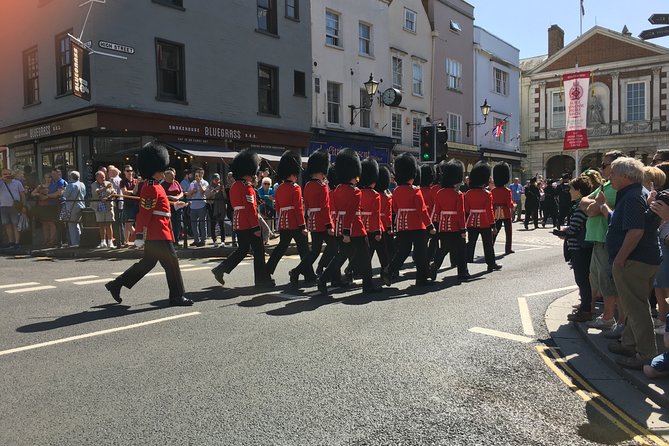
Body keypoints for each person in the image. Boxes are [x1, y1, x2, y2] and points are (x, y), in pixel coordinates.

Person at [105, 142, 192, 306]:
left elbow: (160, 204)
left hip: (161, 229)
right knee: (172, 263)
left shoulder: (155, 186)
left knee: (148, 263)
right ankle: (177, 296)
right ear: (156, 168)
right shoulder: (150, 187)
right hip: (158, 232)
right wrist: (138, 235)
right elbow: (144, 213)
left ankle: (116, 284)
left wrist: (175, 205)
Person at [601, 157, 661, 370]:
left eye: (614, 173)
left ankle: (645, 354)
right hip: (643, 259)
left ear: (626, 176)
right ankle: (629, 343)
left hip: (634, 261)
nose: (610, 176)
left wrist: (619, 258)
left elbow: (636, 231)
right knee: (633, 304)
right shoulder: (637, 194)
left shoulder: (632, 197)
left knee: (636, 309)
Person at [319, 148, 382, 295]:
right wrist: (347, 232)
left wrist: (341, 230)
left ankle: (323, 279)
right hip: (355, 229)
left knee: (341, 255)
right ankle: (368, 284)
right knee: (365, 255)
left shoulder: (336, 190)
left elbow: (336, 211)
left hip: (340, 227)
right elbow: (351, 213)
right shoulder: (355, 192)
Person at [211, 149, 274, 289]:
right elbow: (250, 209)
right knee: (258, 251)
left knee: (243, 249)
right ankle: (261, 280)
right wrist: (256, 227)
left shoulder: (234, 186)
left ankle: (220, 269)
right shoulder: (247, 187)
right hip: (248, 223)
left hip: (239, 221)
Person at [580, 151, 626, 333]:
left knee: (608, 282)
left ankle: (609, 318)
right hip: (597, 239)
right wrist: (593, 205)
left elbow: (592, 210)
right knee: (597, 278)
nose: (601, 168)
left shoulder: (616, 188)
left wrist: (593, 206)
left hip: (607, 239)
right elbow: (583, 202)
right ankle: (607, 316)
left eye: (605, 165)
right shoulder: (606, 184)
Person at [382, 152, 436, 287]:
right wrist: (430, 226)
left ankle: (389, 270)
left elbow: (394, 208)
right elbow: (422, 210)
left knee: (403, 251)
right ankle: (421, 278)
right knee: (421, 253)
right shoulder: (415, 190)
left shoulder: (396, 191)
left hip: (402, 225)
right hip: (417, 225)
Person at [266, 150, 316, 287]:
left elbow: (278, 207)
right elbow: (298, 209)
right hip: (295, 223)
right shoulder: (296, 188)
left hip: (283, 222)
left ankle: (267, 270)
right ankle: (309, 275)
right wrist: (302, 226)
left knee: (281, 248)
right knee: (304, 249)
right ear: (294, 173)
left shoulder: (280, 188)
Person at [293, 150, 336, 283]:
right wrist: (329, 225)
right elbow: (325, 208)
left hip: (312, 221)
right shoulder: (322, 186)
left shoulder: (307, 185)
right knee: (334, 247)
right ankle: (325, 270)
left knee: (315, 250)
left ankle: (296, 271)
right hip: (323, 222)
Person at [563, 175, 596, 322]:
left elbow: (574, 229)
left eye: (571, 188)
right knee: (584, 279)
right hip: (583, 248)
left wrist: (563, 233)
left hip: (580, 249)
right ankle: (585, 306)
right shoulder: (582, 206)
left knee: (582, 280)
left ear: (578, 190)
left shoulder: (580, 208)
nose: (569, 191)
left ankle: (585, 310)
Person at [430, 160, 471, 282]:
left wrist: (434, 225)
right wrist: (463, 229)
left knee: (444, 248)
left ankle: (435, 265)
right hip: (455, 226)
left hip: (443, 225)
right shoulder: (458, 194)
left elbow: (436, 211)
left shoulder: (439, 193)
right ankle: (462, 272)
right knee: (461, 249)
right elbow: (460, 214)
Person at [464, 162, 502, 273]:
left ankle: (464, 266)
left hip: (471, 221)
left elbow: (466, 210)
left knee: (471, 243)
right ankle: (491, 264)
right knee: (488, 244)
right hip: (485, 222)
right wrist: (493, 225)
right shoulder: (487, 194)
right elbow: (489, 211)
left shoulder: (468, 193)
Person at [359, 158, 387, 280]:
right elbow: (375, 214)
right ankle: (386, 272)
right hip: (374, 227)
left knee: (367, 252)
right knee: (382, 253)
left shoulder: (359, 192)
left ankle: (352, 270)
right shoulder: (375, 195)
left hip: (362, 226)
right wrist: (377, 231)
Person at [491, 163, 514, 255]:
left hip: (496, 212)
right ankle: (508, 249)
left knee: (495, 230)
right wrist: (513, 206)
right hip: (505, 212)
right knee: (508, 231)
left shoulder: (493, 191)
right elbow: (509, 204)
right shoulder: (507, 191)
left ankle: (490, 246)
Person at [0, 168, 26, 249]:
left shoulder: (17, 183)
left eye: (8, 173)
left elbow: (22, 195)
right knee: (7, 225)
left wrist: (24, 206)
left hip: (15, 207)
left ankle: (17, 242)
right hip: (3, 206)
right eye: (4, 174)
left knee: (15, 225)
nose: (7, 175)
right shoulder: (1, 183)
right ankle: (11, 242)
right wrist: (2, 179)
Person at [91, 170, 115, 248]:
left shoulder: (108, 183)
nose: (103, 179)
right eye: (101, 177)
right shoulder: (93, 185)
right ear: (97, 178)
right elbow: (96, 192)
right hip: (98, 207)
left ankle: (110, 242)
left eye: (104, 177)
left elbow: (113, 193)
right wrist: (105, 188)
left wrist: (108, 198)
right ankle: (102, 241)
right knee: (101, 225)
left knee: (109, 224)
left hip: (108, 206)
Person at [161, 168, 184, 246]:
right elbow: (161, 196)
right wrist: (170, 197)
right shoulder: (162, 185)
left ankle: (176, 240)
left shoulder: (176, 183)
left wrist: (178, 197)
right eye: (171, 175)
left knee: (177, 223)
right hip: (168, 206)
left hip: (177, 206)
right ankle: (170, 240)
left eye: (173, 175)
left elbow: (181, 192)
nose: (173, 177)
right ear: (166, 175)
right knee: (170, 223)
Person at [62, 171, 86, 247]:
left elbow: (65, 196)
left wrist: (64, 190)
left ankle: (74, 243)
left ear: (71, 177)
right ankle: (79, 241)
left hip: (72, 206)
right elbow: (84, 194)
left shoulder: (70, 185)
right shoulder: (82, 184)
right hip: (81, 205)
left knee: (71, 224)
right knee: (77, 224)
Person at [31, 174, 55, 247]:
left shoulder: (53, 186)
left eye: (50, 177)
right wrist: (39, 194)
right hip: (41, 206)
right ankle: (46, 239)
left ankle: (52, 240)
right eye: (47, 177)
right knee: (44, 223)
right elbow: (32, 193)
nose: (49, 179)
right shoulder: (40, 186)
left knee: (51, 223)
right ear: (44, 178)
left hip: (50, 206)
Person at [187, 167, 209, 247]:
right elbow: (189, 194)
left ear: (202, 174)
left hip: (202, 205)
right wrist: (191, 192)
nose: (198, 175)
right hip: (193, 206)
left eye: (200, 173)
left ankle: (203, 240)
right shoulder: (192, 183)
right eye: (196, 173)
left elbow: (203, 192)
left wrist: (199, 183)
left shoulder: (205, 182)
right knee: (193, 224)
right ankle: (196, 240)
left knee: (203, 224)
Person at [206, 173, 228, 247]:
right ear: (212, 180)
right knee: (213, 224)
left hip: (221, 206)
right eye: (216, 179)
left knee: (222, 224)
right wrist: (215, 189)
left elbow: (225, 197)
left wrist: (223, 190)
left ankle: (223, 241)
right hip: (212, 206)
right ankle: (214, 240)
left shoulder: (221, 186)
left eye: (218, 179)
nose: (217, 181)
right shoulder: (209, 187)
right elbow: (207, 195)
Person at [47, 167, 67, 246]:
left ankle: (62, 240)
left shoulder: (61, 182)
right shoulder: (52, 182)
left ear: (59, 174)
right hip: (52, 204)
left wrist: (48, 196)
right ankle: (55, 240)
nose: (52, 175)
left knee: (61, 222)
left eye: (54, 174)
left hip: (60, 204)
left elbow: (59, 193)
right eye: (51, 174)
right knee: (54, 222)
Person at [119, 165, 138, 246]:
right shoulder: (123, 181)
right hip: (128, 204)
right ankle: (136, 238)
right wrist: (133, 192)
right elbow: (124, 192)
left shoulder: (136, 181)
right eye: (127, 171)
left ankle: (127, 241)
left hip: (136, 203)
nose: (129, 172)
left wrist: (133, 191)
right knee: (128, 223)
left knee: (131, 223)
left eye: (130, 170)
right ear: (124, 172)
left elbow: (136, 192)